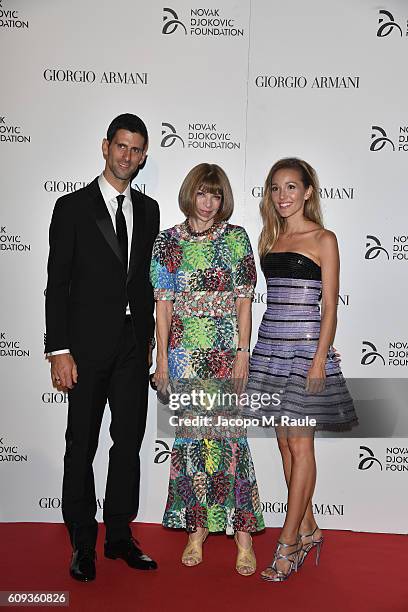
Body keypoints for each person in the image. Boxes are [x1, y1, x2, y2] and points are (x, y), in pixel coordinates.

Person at [45, 113, 159, 581]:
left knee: (128, 443)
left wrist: (151, 340)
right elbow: (57, 284)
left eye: (136, 150)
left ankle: (117, 536)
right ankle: (81, 541)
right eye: (121, 147)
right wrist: (59, 350)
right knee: (81, 445)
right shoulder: (72, 207)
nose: (127, 156)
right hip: (86, 349)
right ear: (106, 146)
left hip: (134, 347)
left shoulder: (149, 210)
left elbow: (147, 284)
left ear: (143, 156)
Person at [150, 163, 264, 576]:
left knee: (231, 441)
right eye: (202, 193)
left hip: (223, 351)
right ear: (190, 195)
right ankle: (195, 531)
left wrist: (242, 352)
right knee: (193, 442)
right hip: (184, 354)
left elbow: (244, 301)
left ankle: (243, 535)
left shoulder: (236, 238)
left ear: (223, 199)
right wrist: (162, 359)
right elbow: (162, 306)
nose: (209, 202)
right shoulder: (167, 242)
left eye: (216, 194)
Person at [248, 158, 357, 582]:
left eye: (292, 187)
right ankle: (310, 528)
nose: (283, 196)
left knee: (301, 446)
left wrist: (319, 360)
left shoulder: (324, 239)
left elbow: (330, 307)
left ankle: (288, 541)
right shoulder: (269, 239)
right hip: (271, 348)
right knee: (283, 446)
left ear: (308, 191)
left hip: (305, 351)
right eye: (276, 188)